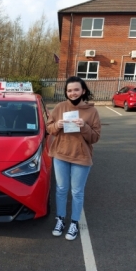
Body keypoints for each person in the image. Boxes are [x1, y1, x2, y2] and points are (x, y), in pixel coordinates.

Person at [46, 76, 101, 241]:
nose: (73, 93)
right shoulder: (60, 107)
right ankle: (60, 219)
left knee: (77, 192)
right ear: (66, 92)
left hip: (81, 157)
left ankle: (74, 222)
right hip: (61, 154)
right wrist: (57, 125)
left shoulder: (92, 111)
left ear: (83, 90)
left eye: (76, 89)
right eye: (69, 90)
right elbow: (50, 128)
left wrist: (84, 127)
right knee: (61, 189)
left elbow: (95, 137)